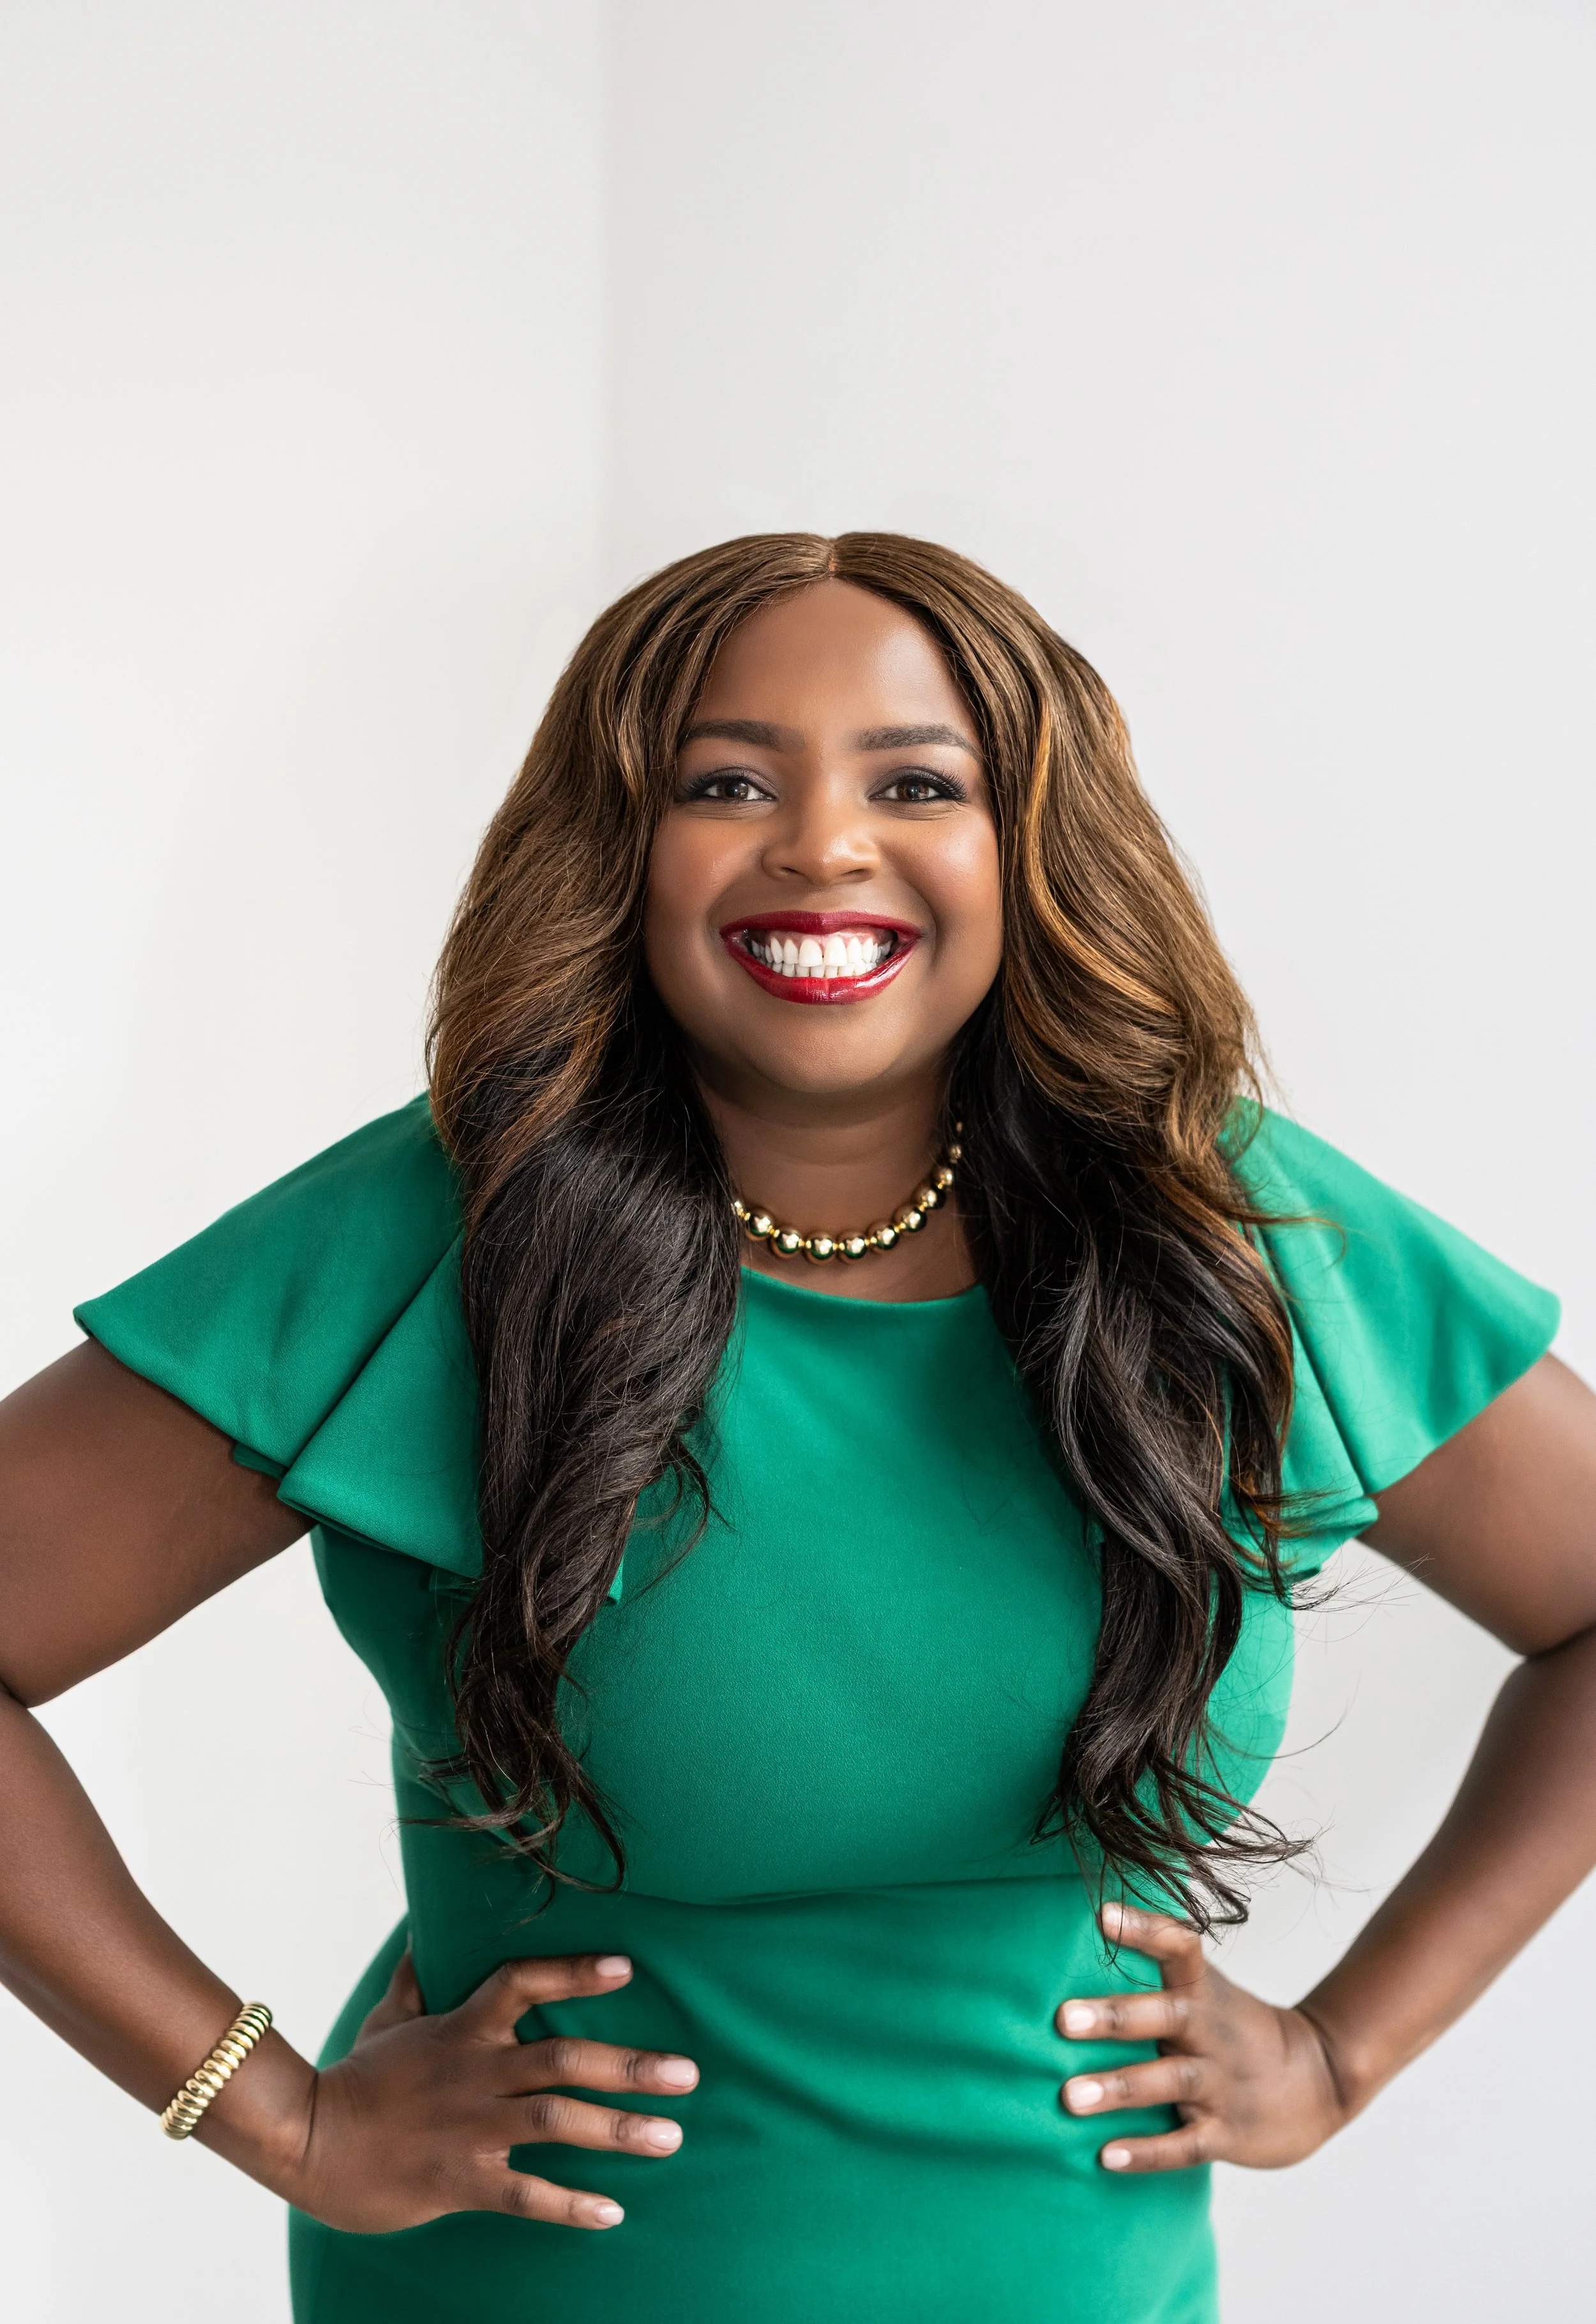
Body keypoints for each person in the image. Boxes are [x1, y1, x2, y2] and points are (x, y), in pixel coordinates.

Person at [2, 533, 1593, 2324]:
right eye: (725, 781)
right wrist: (271, 2115)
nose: (822, 843)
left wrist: (1336, 2058)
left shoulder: (1223, 1233)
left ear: (1032, 850)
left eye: (917, 781)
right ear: (618, 847)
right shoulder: (440, 1231)